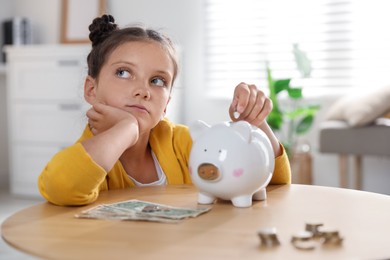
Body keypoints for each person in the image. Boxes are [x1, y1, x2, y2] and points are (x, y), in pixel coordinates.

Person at [38, 14, 291, 206]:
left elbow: (275, 183)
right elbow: (61, 187)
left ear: (167, 103)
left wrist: (255, 123)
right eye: (124, 73)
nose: (143, 90)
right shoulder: (90, 152)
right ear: (91, 90)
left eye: (157, 81)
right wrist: (127, 129)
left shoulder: (186, 143)